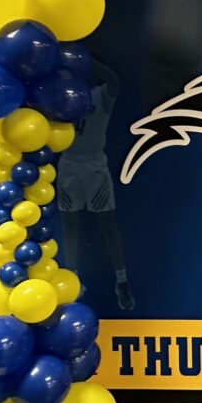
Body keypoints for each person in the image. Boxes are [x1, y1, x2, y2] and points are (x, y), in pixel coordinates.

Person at [58, 57, 134, 311]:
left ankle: (121, 280)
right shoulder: (63, 95)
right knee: (69, 223)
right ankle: (73, 279)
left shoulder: (102, 94)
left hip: (94, 164)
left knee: (108, 225)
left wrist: (88, 60)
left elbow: (115, 81)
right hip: (69, 162)